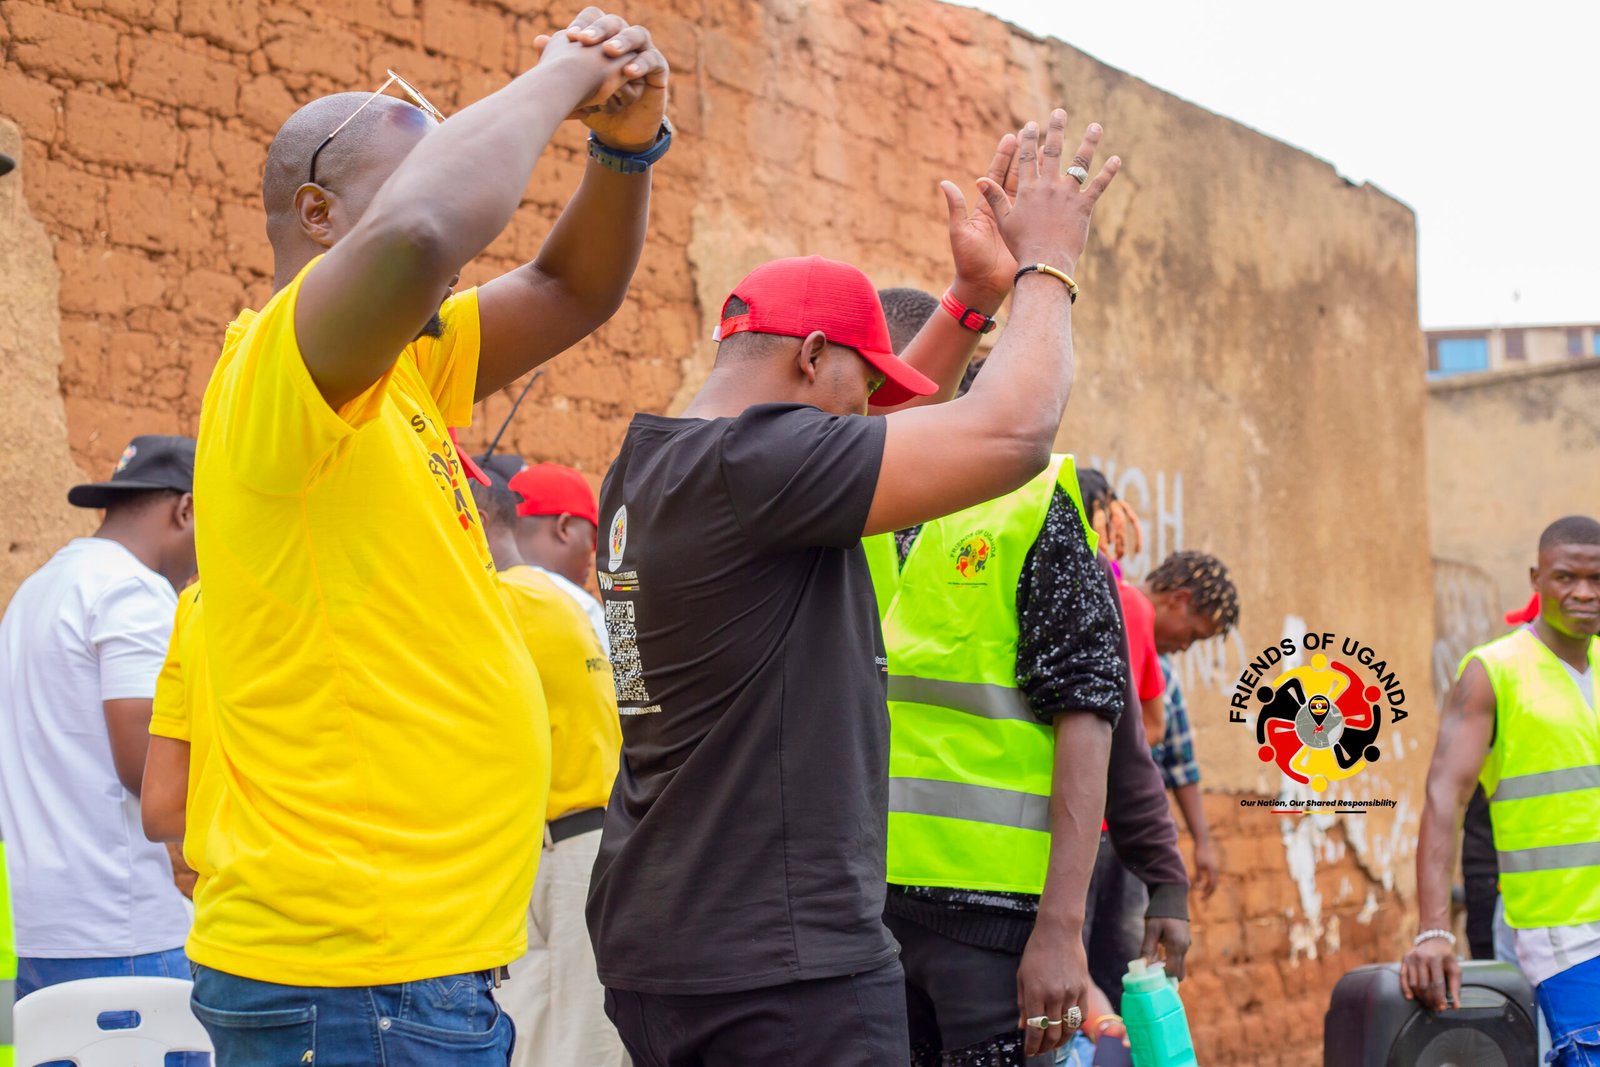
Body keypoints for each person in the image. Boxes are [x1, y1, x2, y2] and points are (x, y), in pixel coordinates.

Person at [588, 113, 1121, 1064]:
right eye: (857, 383)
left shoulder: (651, 467)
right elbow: (1012, 432)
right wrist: (1049, 266)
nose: (870, 412)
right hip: (783, 972)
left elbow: (885, 429)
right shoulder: (759, 467)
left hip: (666, 942)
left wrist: (969, 301)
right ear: (808, 356)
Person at [186, 12, 668, 1062]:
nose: (453, 222)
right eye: (422, 173)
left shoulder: (402, 369)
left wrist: (626, 149)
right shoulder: (280, 369)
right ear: (318, 214)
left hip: (412, 968)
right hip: (351, 972)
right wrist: (561, 76)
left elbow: (569, 287)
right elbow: (419, 233)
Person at [869, 287, 1189, 1065]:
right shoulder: (851, 515)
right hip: (866, 918)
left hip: (995, 927)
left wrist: (1092, 913)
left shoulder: (1029, 508)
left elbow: (1099, 716)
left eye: (878, 378)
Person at [0, 436, 199, 1046]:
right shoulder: (132, 592)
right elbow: (148, 772)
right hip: (120, 934)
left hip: (40, 933)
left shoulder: (37, 591)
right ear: (186, 509)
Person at [1403, 515, 1600, 1065]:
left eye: (1597, 579)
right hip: (1558, 932)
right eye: (1566, 577)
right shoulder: (1493, 671)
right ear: (1537, 579)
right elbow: (1444, 797)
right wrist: (1433, 930)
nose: (1584, 593)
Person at [468, 473, 627, 1066]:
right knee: (554, 1038)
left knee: (572, 1044)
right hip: (565, 849)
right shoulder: (559, 600)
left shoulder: (503, 600)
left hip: (564, 853)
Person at [510, 461, 610, 652]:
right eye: (592, 539)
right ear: (563, 527)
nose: (592, 557)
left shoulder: (483, 593)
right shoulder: (580, 608)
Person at [1152, 656, 1220, 901]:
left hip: (1145, 832)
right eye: (1191, 637)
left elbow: (1181, 764)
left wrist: (1202, 842)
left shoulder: (1165, 673)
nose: (1185, 647)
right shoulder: (1111, 655)